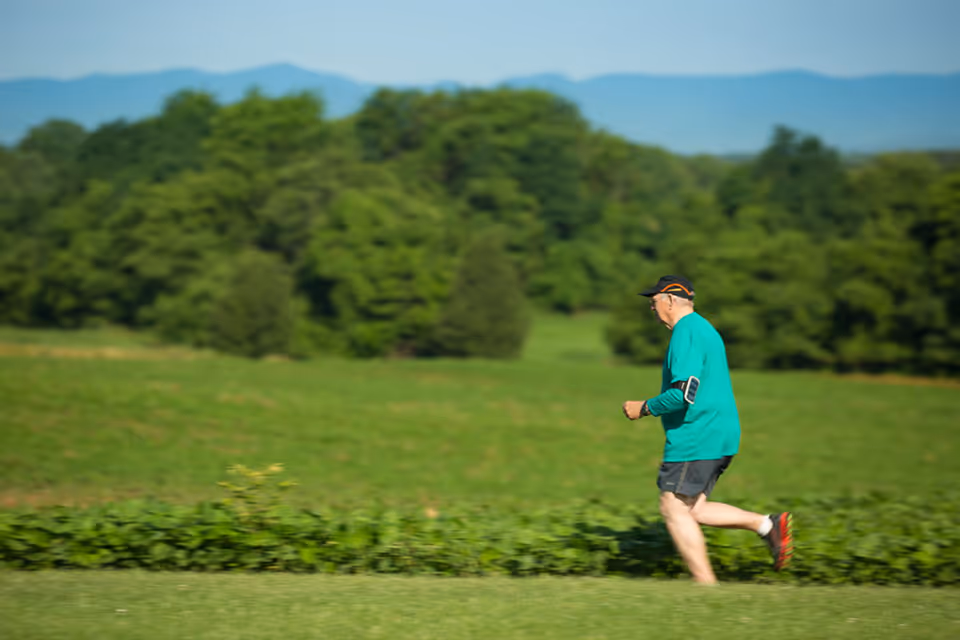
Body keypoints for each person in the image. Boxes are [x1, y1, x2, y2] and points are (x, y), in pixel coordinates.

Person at [621, 275, 793, 584]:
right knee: (694, 508)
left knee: (672, 507)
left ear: (670, 300)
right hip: (720, 433)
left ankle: (706, 588)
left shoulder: (685, 332)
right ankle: (767, 525)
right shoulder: (704, 329)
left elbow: (684, 392)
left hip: (696, 434)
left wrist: (643, 407)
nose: (652, 309)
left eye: (653, 302)